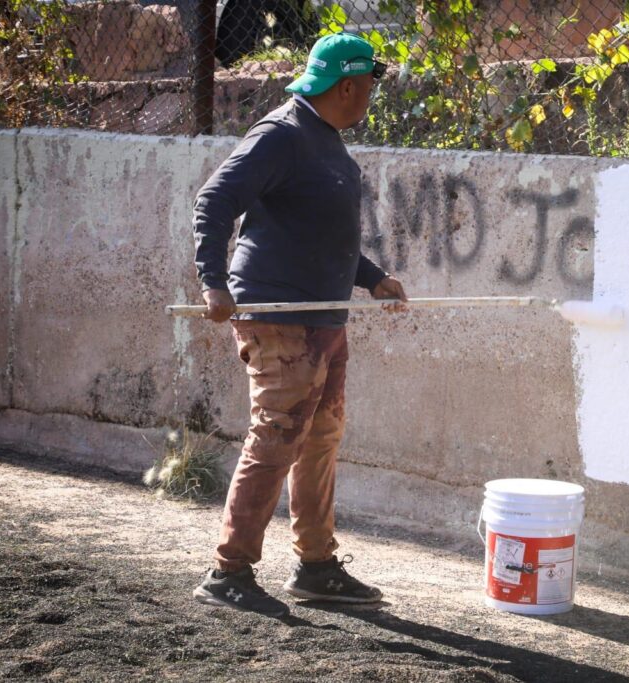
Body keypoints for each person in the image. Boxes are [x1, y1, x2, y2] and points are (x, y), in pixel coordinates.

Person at [190, 32, 406, 618]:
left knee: (320, 438)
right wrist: (214, 282)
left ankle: (315, 566)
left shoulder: (327, 143)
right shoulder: (281, 136)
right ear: (349, 86)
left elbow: (318, 234)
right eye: (367, 89)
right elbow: (213, 202)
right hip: (279, 319)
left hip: (324, 320)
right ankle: (228, 570)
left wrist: (372, 278)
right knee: (278, 436)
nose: (369, 100)